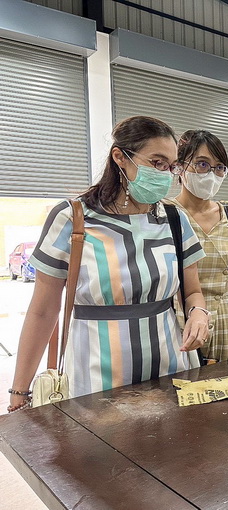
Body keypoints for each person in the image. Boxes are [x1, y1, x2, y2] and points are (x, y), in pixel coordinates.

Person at [8, 116, 211, 412]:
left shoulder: (174, 219)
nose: (165, 175)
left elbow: (193, 292)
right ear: (120, 157)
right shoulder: (72, 219)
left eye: (171, 166)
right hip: (95, 377)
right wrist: (19, 390)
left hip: (170, 368)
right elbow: (43, 311)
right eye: (157, 162)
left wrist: (199, 313)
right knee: (100, 441)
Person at [167, 130, 228, 363]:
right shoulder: (164, 214)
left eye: (219, 167)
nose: (211, 174)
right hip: (180, 323)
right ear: (180, 167)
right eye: (202, 164)